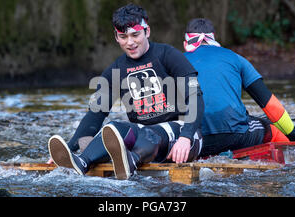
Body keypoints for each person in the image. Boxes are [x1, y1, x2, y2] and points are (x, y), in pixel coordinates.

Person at [47, 4, 204, 180]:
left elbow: (195, 96)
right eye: (123, 36)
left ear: (147, 31)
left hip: (183, 134)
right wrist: (68, 149)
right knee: (112, 128)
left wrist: (187, 136)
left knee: (149, 134)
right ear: (116, 37)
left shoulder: (168, 54)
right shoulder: (114, 70)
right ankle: (81, 163)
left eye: (135, 35)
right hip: (143, 134)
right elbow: (95, 114)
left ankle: (130, 161)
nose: (130, 42)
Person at [182, 18, 295, 157]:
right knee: (272, 129)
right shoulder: (235, 58)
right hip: (235, 135)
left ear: (186, 43)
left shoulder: (175, 61)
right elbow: (270, 105)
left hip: (192, 141)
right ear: (214, 38)